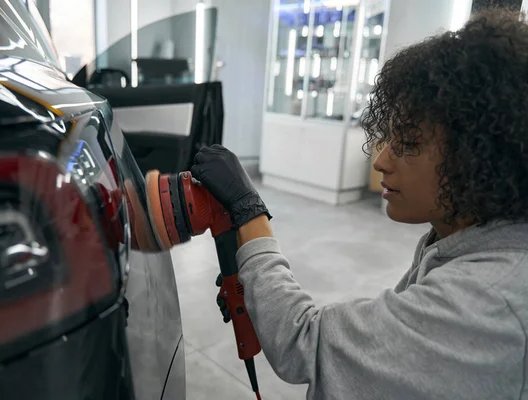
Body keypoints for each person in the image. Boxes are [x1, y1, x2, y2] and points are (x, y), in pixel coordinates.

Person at [190, 9, 528, 400]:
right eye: (389, 138)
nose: (382, 160)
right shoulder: (462, 243)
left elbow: (306, 344)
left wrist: (250, 213)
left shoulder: (488, 303)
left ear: (478, 157)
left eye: (408, 144)